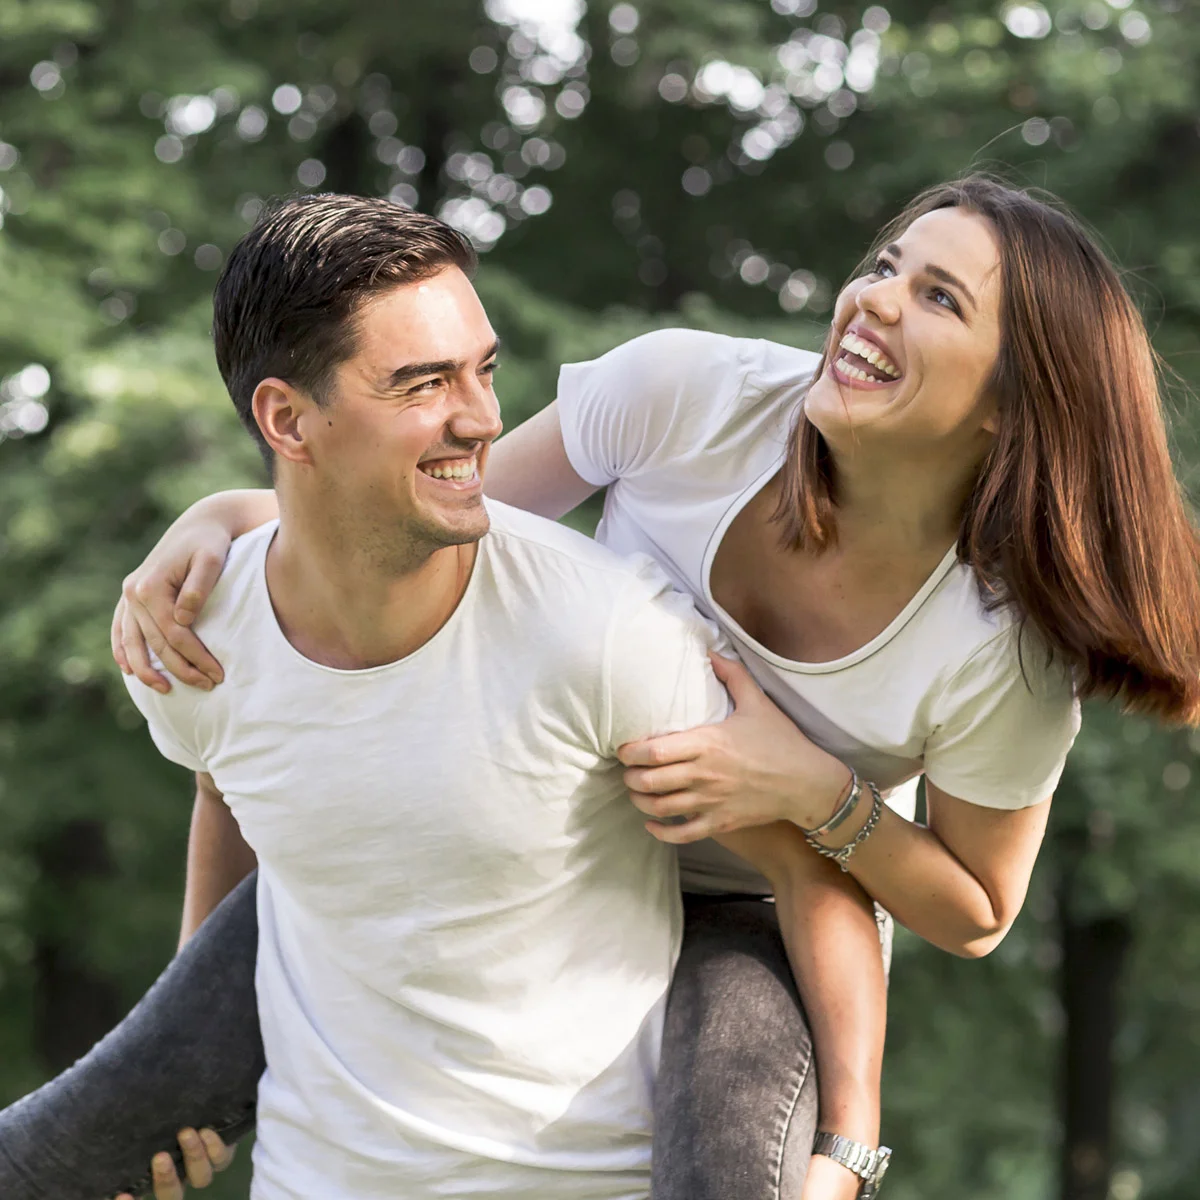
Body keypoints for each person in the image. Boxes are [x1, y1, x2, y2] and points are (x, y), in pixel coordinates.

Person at [12, 173, 1200, 1198]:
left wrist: (811, 792)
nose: (878, 298)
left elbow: (976, 912)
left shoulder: (1001, 647)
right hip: (550, 829)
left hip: (757, 901)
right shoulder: (687, 395)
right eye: (887, 263)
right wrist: (232, 514)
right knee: (72, 1140)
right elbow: (424, 516)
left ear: (1009, 405)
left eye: (940, 298)